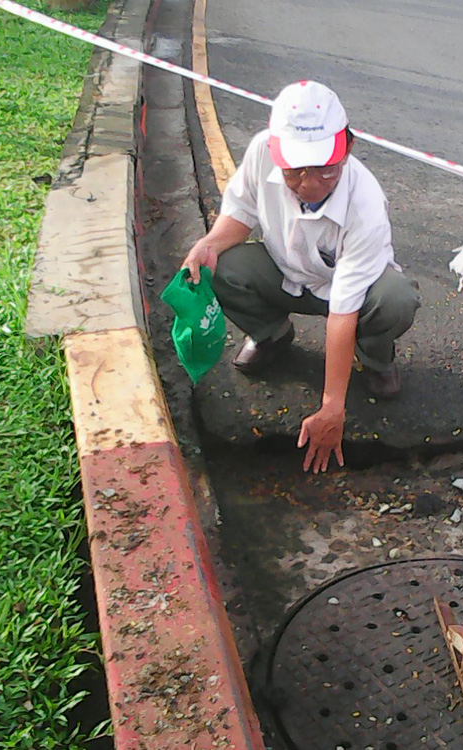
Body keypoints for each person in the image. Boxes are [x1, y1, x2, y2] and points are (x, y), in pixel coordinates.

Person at [181, 80, 420, 475]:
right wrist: (210, 242)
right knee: (219, 266)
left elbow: (342, 312)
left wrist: (332, 407)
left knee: (396, 300)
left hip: (352, 295)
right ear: (277, 153)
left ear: (347, 149)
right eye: (295, 172)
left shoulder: (366, 206)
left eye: (325, 170)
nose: (309, 184)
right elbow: (240, 212)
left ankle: (376, 356)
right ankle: (271, 334)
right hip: (284, 271)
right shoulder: (262, 152)